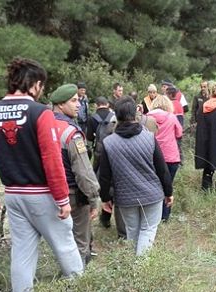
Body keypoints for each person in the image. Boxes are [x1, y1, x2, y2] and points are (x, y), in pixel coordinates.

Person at [0, 57, 84, 292]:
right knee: (66, 247)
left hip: (13, 194)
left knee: (22, 254)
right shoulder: (40, 112)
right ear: (35, 85)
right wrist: (62, 199)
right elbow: (51, 158)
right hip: (43, 194)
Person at [97, 96, 173, 256]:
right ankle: (140, 267)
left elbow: (104, 176)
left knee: (132, 231)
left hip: (125, 198)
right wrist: (168, 192)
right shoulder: (149, 138)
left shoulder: (109, 142)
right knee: (148, 230)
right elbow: (162, 169)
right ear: (136, 113)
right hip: (152, 195)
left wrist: (105, 198)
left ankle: (133, 266)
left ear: (116, 115)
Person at [51, 84, 100, 263]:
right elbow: (83, 171)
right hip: (72, 193)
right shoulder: (70, 133)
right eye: (73, 101)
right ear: (61, 105)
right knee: (80, 240)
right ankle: (77, 278)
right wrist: (93, 198)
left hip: (48, 194)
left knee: (60, 239)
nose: (78, 104)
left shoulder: (42, 126)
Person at [147, 95, 182, 221]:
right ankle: (165, 216)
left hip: (152, 157)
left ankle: (152, 216)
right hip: (171, 157)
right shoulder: (172, 117)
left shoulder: (147, 118)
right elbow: (179, 133)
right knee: (168, 185)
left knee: (154, 186)